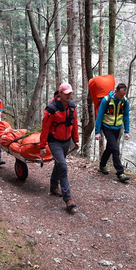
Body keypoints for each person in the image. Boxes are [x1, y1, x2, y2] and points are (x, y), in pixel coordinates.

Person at [39, 83, 80, 211]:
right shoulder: (51, 109)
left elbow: (74, 125)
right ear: (60, 93)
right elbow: (45, 128)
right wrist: (42, 145)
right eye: (66, 93)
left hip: (66, 141)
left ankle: (53, 186)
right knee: (62, 166)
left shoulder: (72, 107)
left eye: (70, 93)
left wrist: (76, 140)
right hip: (54, 142)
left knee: (59, 164)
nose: (69, 95)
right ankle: (68, 199)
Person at [95, 83, 131, 183]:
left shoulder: (125, 101)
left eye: (123, 95)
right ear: (116, 91)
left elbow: (126, 117)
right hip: (107, 127)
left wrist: (127, 131)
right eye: (120, 95)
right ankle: (120, 173)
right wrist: (97, 132)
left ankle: (102, 165)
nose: (121, 97)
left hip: (117, 128)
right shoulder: (106, 100)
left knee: (110, 148)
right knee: (115, 148)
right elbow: (99, 116)